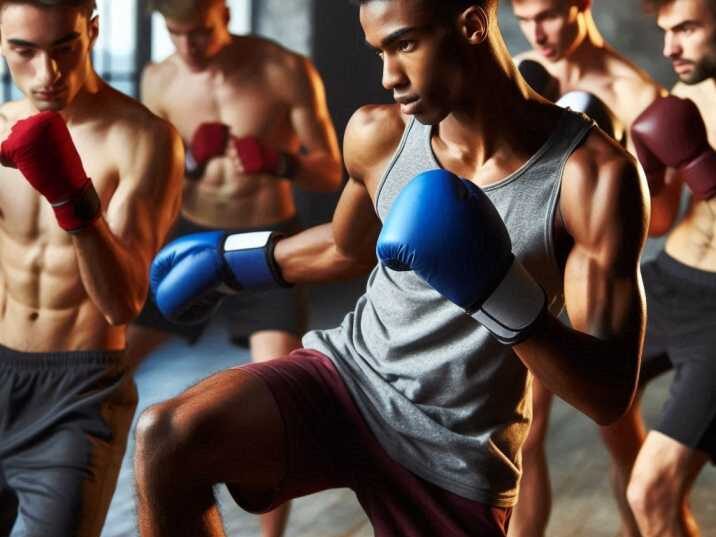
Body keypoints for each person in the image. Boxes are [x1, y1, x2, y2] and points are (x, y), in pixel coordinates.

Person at [133, 1, 649, 536]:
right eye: (379, 51)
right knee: (170, 436)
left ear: (471, 25)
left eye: (405, 44)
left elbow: (607, 395)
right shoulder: (379, 134)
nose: (389, 77)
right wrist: (227, 263)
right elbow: (346, 247)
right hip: (348, 378)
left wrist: (496, 292)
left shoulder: (592, 176)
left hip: (455, 446)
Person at [134, 2, 342, 534]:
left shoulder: (283, 70)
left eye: (200, 32)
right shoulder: (158, 81)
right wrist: (190, 163)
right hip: (191, 239)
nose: (189, 47)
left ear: (224, 14)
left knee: (278, 399)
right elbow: (148, 174)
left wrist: (280, 162)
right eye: (176, 34)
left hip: (264, 247)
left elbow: (330, 171)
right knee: (105, 365)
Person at [0, 1, 183, 536]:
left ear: (93, 31)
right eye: (24, 51)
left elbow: (123, 300)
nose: (47, 73)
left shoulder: (142, 139)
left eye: (64, 48)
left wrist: (72, 199)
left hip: (76, 392)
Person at [507, 1, 666, 534]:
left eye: (549, 14)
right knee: (523, 436)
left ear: (582, 4)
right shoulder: (521, 73)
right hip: (534, 270)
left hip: (597, 283)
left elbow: (660, 219)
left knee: (622, 439)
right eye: (524, 18)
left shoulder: (634, 91)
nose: (536, 32)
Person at [598, 1, 716, 536]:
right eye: (665, 31)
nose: (670, 48)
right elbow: (663, 219)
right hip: (668, 284)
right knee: (596, 392)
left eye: (687, 29)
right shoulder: (686, 99)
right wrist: (639, 171)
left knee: (652, 489)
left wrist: (704, 168)